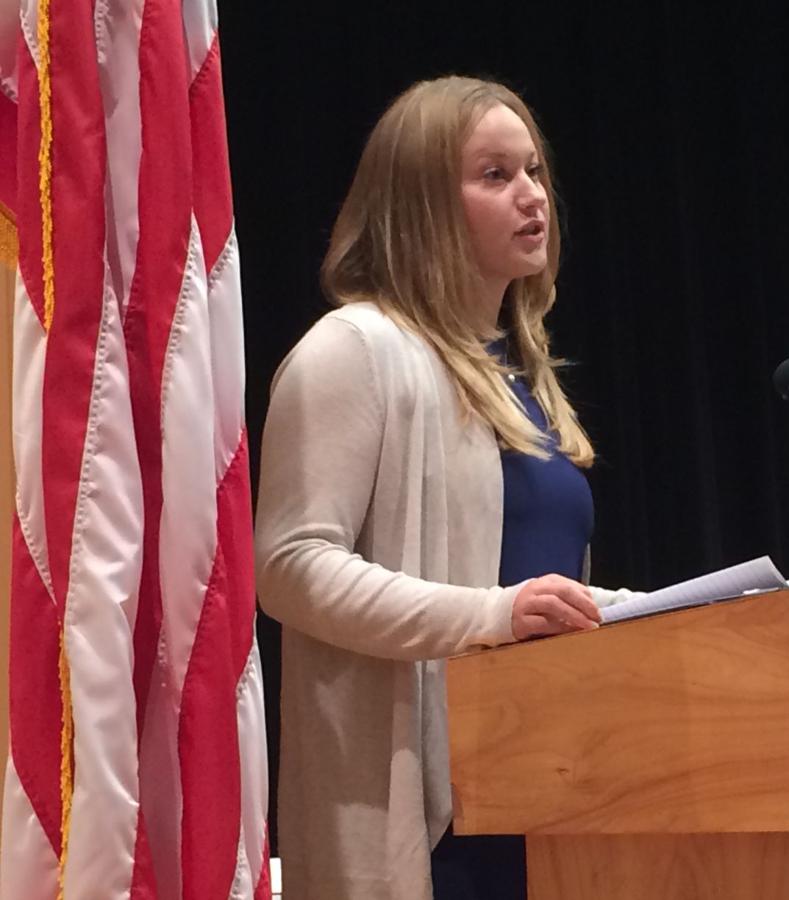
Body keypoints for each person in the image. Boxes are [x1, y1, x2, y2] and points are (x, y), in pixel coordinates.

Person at [255, 76, 634, 900]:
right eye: (494, 174)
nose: (532, 195)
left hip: (553, 789)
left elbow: (531, 582)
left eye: (534, 170)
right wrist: (491, 616)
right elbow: (289, 565)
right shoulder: (354, 351)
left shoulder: (523, 374)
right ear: (419, 203)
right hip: (436, 822)